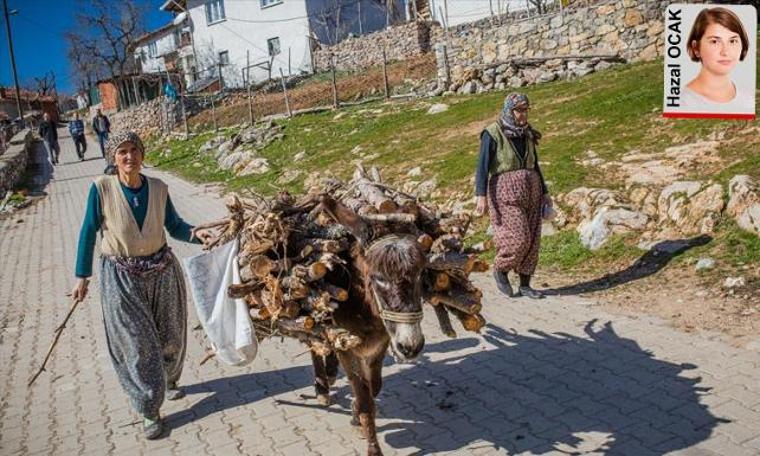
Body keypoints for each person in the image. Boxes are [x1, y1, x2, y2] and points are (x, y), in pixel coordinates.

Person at [70, 131, 212, 439]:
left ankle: (169, 379)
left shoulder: (159, 188)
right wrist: (82, 275)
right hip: (121, 277)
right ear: (114, 157)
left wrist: (196, 234)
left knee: (171, 334)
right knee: (137, 344)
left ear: (142, 154)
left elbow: (174, 226)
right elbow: (87, 231)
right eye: (122, 151)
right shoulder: (101, 189)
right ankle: (149, 408)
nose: (129, 156)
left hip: (161, 270)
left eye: (134, 150)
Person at [474, 93, 551, 299]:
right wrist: (480, 195)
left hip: (531, 190)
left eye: (525, 110)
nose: (523, 114)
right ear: (509, 110)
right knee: (518, 237)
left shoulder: (527, 134)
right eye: (518, 110)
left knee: (533, 237)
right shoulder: (492, 133)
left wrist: (545, 193)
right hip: (505, 192)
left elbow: (535, 165)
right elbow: (482, 166)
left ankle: (525, 284)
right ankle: (501, 269)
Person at [684, 7, 752, 112]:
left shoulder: (748, 99)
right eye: (714, 41)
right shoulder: (684, 102)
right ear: (696, 48)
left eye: (733, 41)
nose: (725, 52)